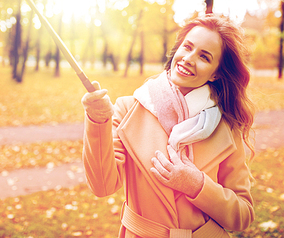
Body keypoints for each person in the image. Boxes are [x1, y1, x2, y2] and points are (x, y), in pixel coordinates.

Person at [81, 15, 255, 238]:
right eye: (187, 47)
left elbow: (242, 215)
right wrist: (98, 121)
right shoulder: (128, 109)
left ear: (216, 73)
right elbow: (102, 186)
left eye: (204, 56)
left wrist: (197, 185)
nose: (188, 59)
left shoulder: (227, 127)